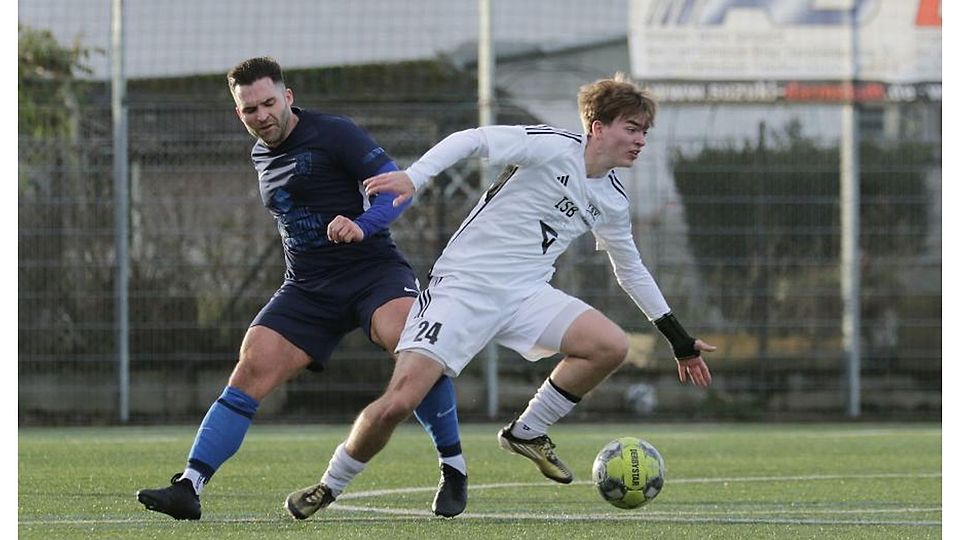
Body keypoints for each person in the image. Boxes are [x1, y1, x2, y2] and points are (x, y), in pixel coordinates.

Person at [283, 72, 716, 516]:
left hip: (526, 295)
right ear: (597, 127)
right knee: (399, 402)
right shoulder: (549, 147)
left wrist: (679, 340)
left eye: (644, 131)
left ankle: (527, 431)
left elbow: (631, 270)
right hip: (463, 288)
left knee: (610, 346)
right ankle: (329, 486)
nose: (640, 139)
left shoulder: (612, 200)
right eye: (632, 127)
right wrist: (414, 177)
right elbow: (472, 139)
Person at [136, 57, 468, 520]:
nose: (262, 115)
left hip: (372, 271)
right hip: (308, 287)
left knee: (412, 343)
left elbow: (396, 190)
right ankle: (188, 487)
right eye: (250, 109)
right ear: (240, 113)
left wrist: (361, 224)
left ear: (287, 97)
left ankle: (453, 469)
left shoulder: (334, 133)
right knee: (251, 365)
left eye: (269, 103)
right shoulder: (259, 153)